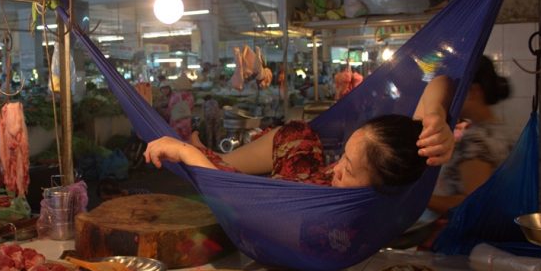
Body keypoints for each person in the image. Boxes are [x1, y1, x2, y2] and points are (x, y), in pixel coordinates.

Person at [144, 75, 454, 191]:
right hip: (299, 176)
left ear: (383, 185)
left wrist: (185, 152)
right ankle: (217, 159)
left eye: (346, 169)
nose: (337, 169)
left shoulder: (344, 207)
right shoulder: (409, 153)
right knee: (298, 133)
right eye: (343, 157)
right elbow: (440, 81)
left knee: (229, 177)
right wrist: (435, 118)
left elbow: (237, 201)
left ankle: (206, 158)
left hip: (289, 197)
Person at [426, 56, 513, 214]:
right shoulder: (497, 129)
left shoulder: (475, 141)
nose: (447, 101)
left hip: (471, 236)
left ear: (473, 92)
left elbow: (473, 204)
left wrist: (422, 199)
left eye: (451, 93)